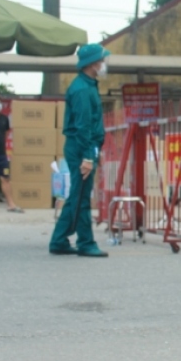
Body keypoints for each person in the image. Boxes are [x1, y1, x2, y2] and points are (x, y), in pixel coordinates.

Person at [49, 43, 109, 257]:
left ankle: (59, 240)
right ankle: (86, 242)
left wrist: (93, 151)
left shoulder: (88, 85)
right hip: (81, 147)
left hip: (84, 146)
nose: (104, 64)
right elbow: (84, 126)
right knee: (81, 197)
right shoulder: (83, 89)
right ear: (93, 64)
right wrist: (87, 156)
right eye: (102, 60)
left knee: (78, 195)